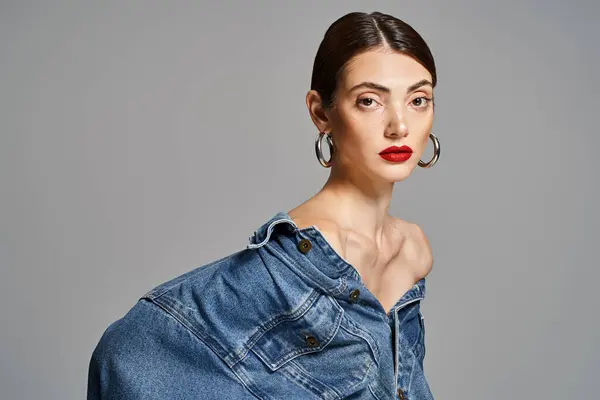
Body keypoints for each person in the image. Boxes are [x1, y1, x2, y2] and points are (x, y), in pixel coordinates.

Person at [87, 10, 441, 400]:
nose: (400, 126)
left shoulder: (413, 250)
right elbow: (132, 350)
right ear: (321, 112)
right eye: (370, 101)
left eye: (418, 100)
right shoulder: (292, 264)